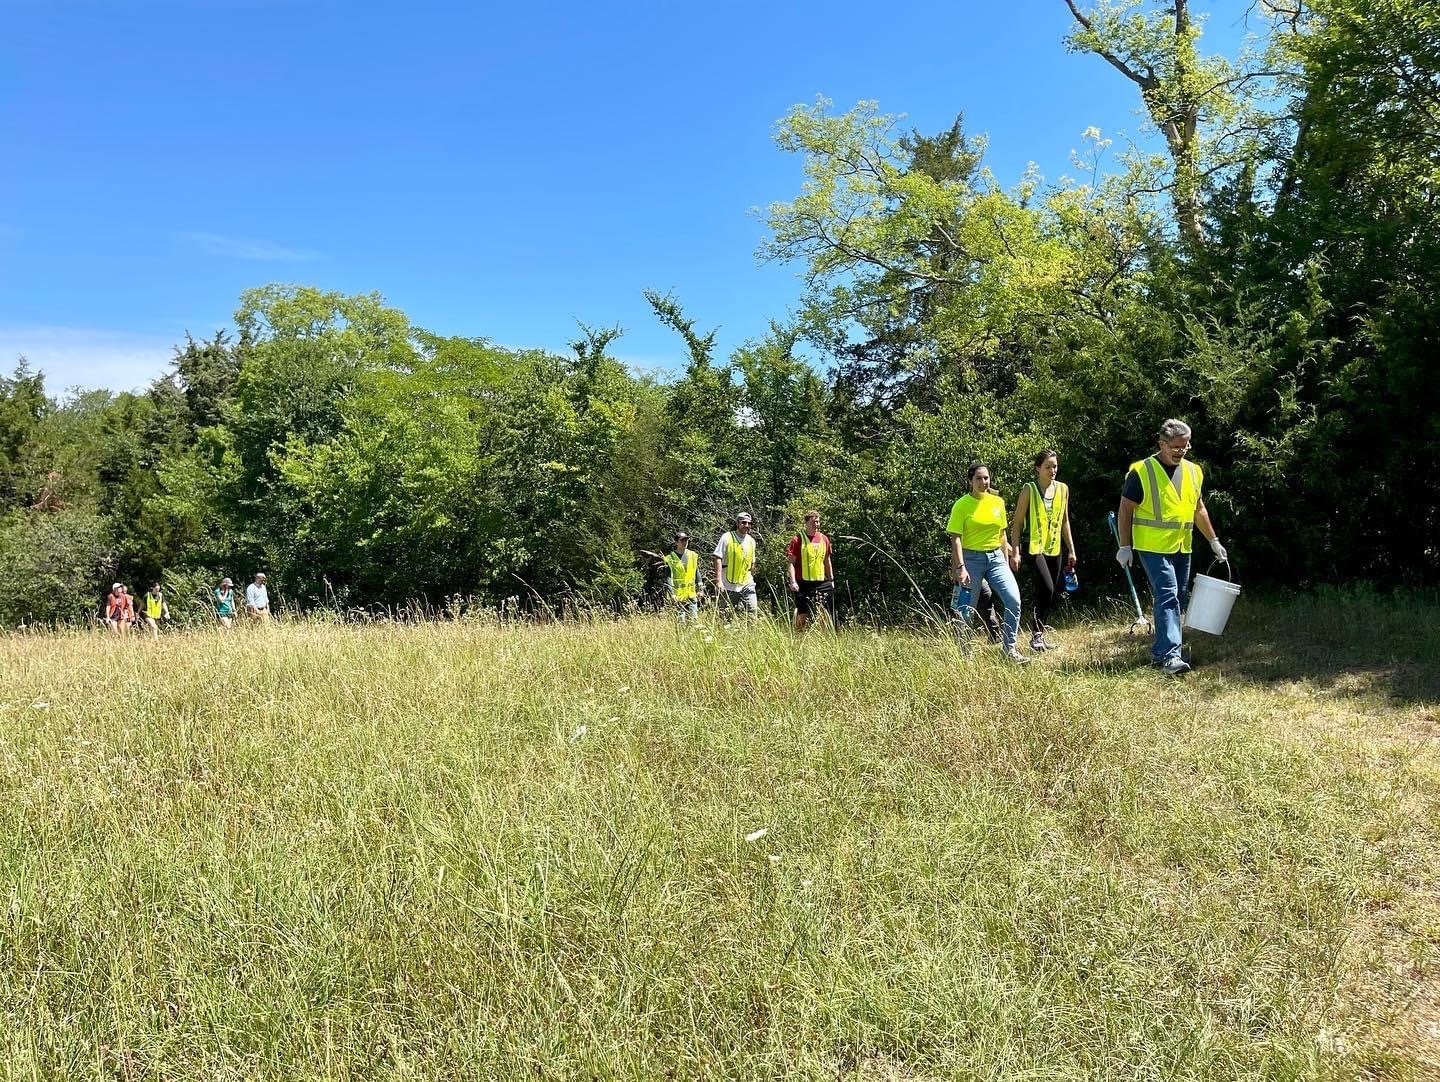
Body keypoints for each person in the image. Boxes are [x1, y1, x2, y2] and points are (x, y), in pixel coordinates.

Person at [1115, 418, 1228, 676]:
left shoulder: (1194, 471)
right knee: (1167, 593)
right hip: (1152, 546)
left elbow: (1198, 509)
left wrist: (1213, 540)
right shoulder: (1141, 471)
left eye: (1185, 447)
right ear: (1162, 444)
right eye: (1176, 447)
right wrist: (1125, 545)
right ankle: (1170, 656)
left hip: (1181, 546)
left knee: (1179, 597)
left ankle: (1161, 652)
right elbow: (1125, 509)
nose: (1180, 451)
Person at [948, 462, 1028, 663]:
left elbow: (1001, 535)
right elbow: (956, 538)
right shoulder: (961, 505)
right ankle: (966, 656)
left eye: (986, 478)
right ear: (970, 481)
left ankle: (1008, 650)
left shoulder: (997, 503)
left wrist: (1011, 554)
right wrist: (960, 567)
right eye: (979, 478)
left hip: (996, 559)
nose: (983, 482)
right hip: (971, 560)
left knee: (1013, 600)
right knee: (965, 610)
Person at [1009, 449, 1076, 652]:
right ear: (1038, 468)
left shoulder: (1063, 489)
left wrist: (1071, 550)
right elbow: (1017, 523)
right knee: (1045, 587)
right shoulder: (1029, 489)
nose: (1052, 470)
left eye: (1055, 466)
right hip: (1033, 546)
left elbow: (1065, 521)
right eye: (1048, 466)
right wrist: (1016, 551)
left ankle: (1038, 635)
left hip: (1054, 547)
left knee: (1050, 591)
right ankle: (1036, 635)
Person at [786, 510, 835, 631]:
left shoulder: (824, 539)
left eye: (818, 522)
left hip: (821, 582)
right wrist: (793, 581)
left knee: (824, 612)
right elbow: (791, 563)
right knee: (803, 615)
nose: (816, 524)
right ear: (806, 522)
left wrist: (831, 579)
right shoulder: (797, 540)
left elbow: (827, 561)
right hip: (802, 583)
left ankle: (822, 638)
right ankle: (797, 635)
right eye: (813, 522)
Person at [713, 512, 759, 619]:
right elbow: (717, 557)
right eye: (743, 523)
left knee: (752, 613)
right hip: (728, 584)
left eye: (749, 523)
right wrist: (718, 581)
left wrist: (751, 575)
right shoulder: (727, 537)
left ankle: (750, 635)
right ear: (737, 523)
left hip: (747, 583)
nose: (746, 525)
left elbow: (752, 562)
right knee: (725, 616)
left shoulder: (751, 541)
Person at [663, 531, 704, 621]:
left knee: (694, 621)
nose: (685, 542)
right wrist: (672, 594)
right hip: (678, 597)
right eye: (682, 540)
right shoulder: (670, 558)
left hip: (691, 594)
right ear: (676, 542)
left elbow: (697, 573)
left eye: (686, 540)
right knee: (681, 622)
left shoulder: (692, 555)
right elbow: (667, 578)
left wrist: (701, 589)